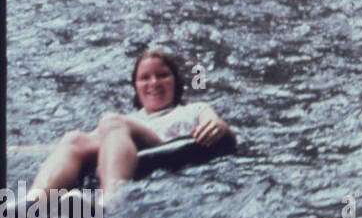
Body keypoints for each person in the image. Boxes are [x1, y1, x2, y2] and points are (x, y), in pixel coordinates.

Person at [27, 49, 235, 203]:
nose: (154, 83)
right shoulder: (123, 122)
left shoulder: (193, 109)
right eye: (145, 78)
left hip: (165, 150)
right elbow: (85, 143)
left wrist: (217, 127)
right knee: (73, 138)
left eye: (162, 75)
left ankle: (109, 203)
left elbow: (217, 124)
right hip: (123, 152)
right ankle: (34, 204)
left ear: (176, 81)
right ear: (136, 87)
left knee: (112, 121)